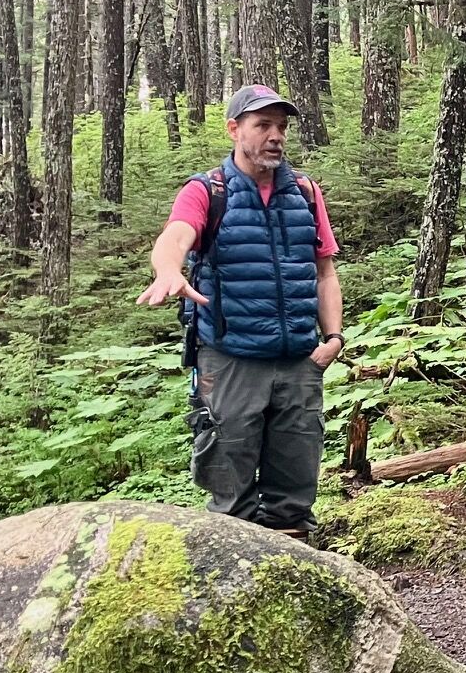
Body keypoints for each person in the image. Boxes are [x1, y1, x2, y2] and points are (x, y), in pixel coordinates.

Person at [138, 85, 345, 540]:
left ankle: (295, 568)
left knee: (295, 491)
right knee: (230, 490)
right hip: (230, 358)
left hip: (298, 360)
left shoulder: (305, 192)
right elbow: (176, 234)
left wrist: (333, 339)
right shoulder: (207, 190)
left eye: (281, 127)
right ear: (234, 129)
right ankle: (235, 571)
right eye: (263, 125)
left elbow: (324, 272)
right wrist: (168, 270)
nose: (276, 136)